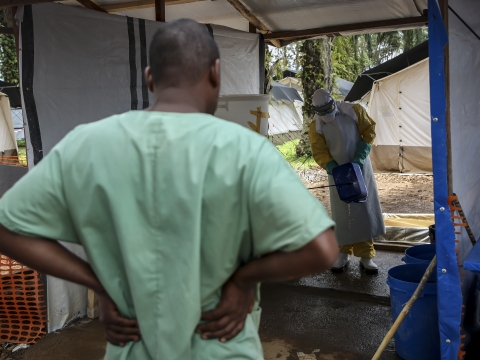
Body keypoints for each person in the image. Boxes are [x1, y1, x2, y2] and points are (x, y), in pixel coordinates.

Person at [0, 20, 338, 359]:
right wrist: (242, 279)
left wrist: (99, 284)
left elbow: (7, 227)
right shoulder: (246, 151)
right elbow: (321, 249)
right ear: (215, 74)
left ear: (150, 78)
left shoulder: (87, 145)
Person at [308, 89, 385, 274]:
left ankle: (367, 256)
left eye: (328, 110)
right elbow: (319, 151)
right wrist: (332, 167)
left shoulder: (353, 111)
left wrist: (360, 156)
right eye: (322, 112)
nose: (327, 115)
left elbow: (369, 131)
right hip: (339, 173)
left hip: (360, 168)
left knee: (363, 210)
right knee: (342, 212)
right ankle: (342, 253)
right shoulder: (316, 126)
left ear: (334, 103)